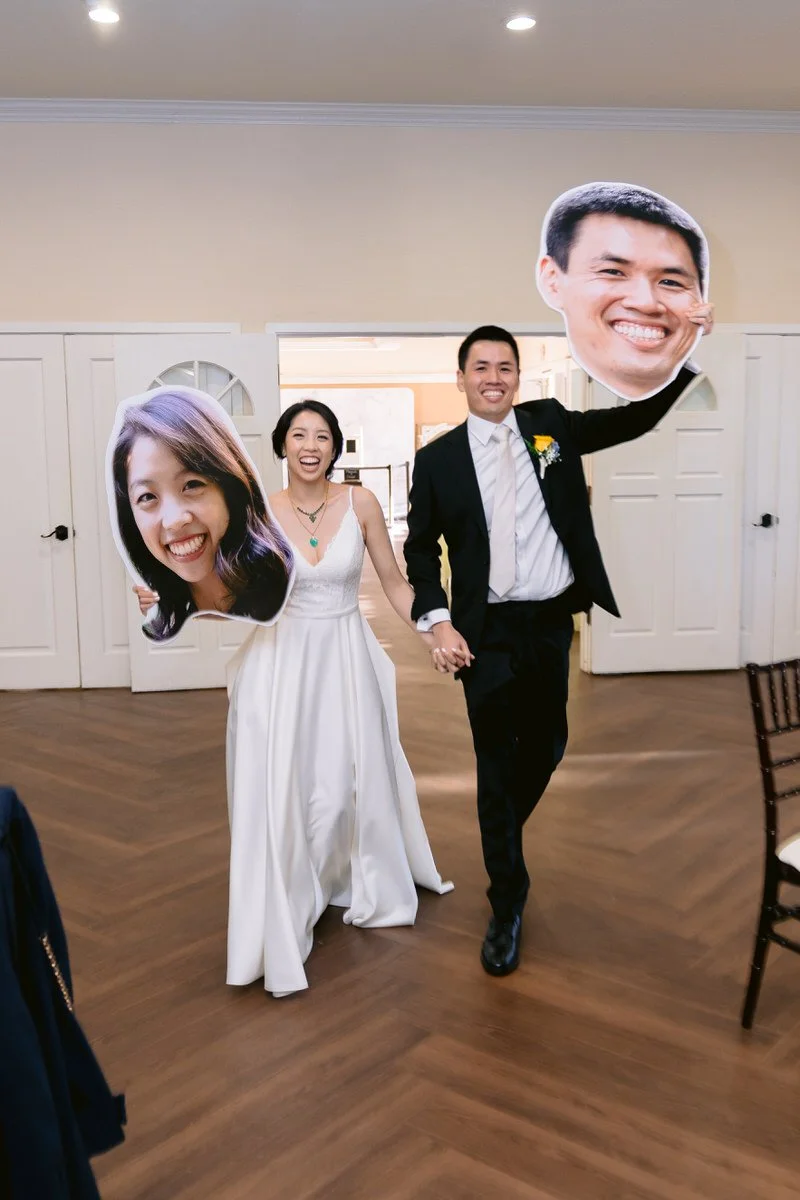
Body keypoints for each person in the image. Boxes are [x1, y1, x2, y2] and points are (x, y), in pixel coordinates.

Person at [403, 318, 712, 978]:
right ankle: (506, 902)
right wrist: (437, 621)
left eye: (505, 367)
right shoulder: (437, 461)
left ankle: (501, 833)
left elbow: (631, 422)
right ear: (461, 379)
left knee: (547, 743)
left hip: (548, 625)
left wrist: (683, 362)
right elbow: (420, 549)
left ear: (517, 377)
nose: (494, 378)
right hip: (482, 634)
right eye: (480, 367)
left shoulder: (550, 427)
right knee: (493, 760)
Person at [135, 398, 452, 998]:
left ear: (335, 447)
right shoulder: (256, 513)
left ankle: (345, 876)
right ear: (282, 445)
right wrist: (166, 598)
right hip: (279, 667)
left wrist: (435, 627)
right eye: (300, 435)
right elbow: (226, 592)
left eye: (323, 436)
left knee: (338, 789)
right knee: (286, 788)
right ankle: (291, 898)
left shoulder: (360, 503)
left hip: (344, 659)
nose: (312, 445)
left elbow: (393, 583)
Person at [110, 386, 293, 643]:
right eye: (147, 497)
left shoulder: (285, 587)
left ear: (230, 488)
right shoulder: (159, 609)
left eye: (192, 484)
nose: (174, 520)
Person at [537, 181, 709, 401]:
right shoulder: (552, 416)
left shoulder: (712, 394)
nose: (646, 302)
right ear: (553, 280)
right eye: (613, 272)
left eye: (670, 282)